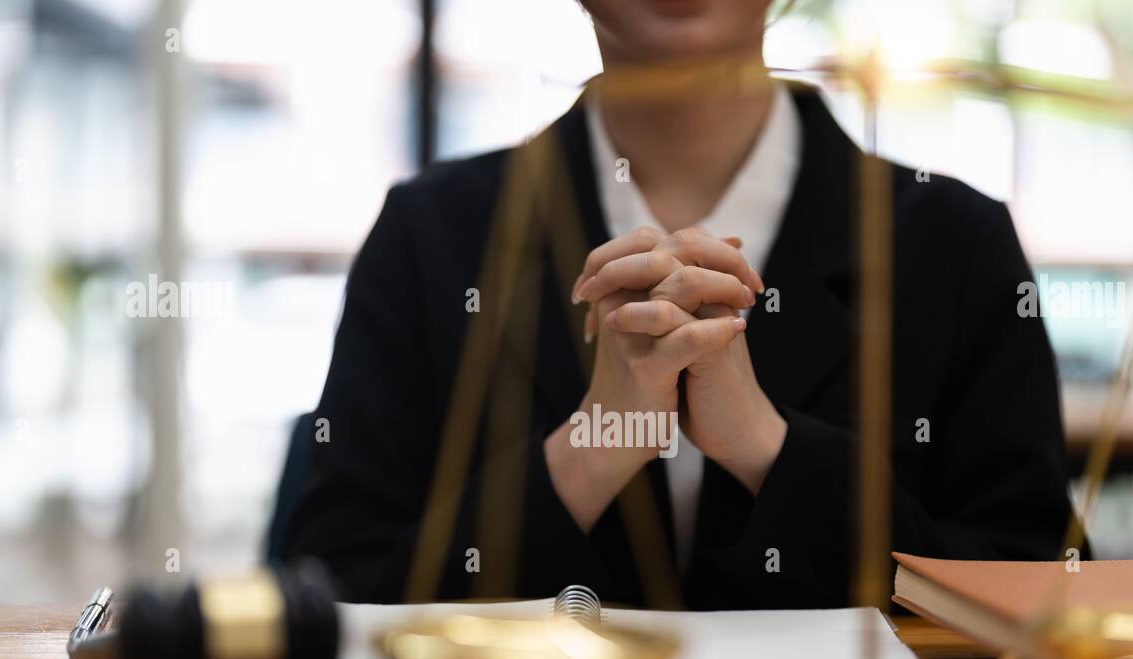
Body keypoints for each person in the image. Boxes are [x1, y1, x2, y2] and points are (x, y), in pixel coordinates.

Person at [283, 0, 1078, 609]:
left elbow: (1039, 593)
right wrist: (589, 449)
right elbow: (337, 597)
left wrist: (768, 447)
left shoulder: (956, 245)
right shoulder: (429, 237)